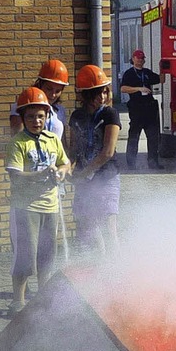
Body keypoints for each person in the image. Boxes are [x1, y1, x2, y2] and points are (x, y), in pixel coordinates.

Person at [5, 87, 71, 314]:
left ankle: (44, 299)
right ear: (23, 118)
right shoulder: (17, 143)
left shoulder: (53, 139)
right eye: (31, 116)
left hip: (50, 206)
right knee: (25, 258)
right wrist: (40, 174)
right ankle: (18, 301)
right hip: (25, 208)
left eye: (40, 116)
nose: (36, 121)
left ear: (47, 117)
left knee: (47, 256)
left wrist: (62, 172)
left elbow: (65, 163)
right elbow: (14, 174)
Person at [68, 65, 122, 256]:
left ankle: (115, 271)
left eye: (105, 91)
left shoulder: (110, 114)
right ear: (85, 94)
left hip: (106, 178)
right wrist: (66, 166)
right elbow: (73, 149)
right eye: (97, 93)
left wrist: (83, 174)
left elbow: (107, 152)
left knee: (108, 226)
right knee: (89, 226)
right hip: (84, 179)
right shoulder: (77, 116)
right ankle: (99, 267)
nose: (102, 97)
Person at [120, 49, 163, 170]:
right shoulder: (129, 73)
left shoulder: (147, 72)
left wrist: (162, 69)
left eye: (142, 58)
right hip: (136, 109)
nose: (141, 61)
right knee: (134, 137)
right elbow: (123, 88)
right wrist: (139, 89)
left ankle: (153, 162)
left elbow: (161, 79)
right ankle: (131, 163)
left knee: (153, 137)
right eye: (138, 58)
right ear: (133, 59)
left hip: (149, 109)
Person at [9, 59, 69, 141]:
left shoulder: (60, 110)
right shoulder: (22, 105)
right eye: (49, 89)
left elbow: (63, 144)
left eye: (58, 91)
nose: (53, 94)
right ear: (40, 84)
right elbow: (16, 139)